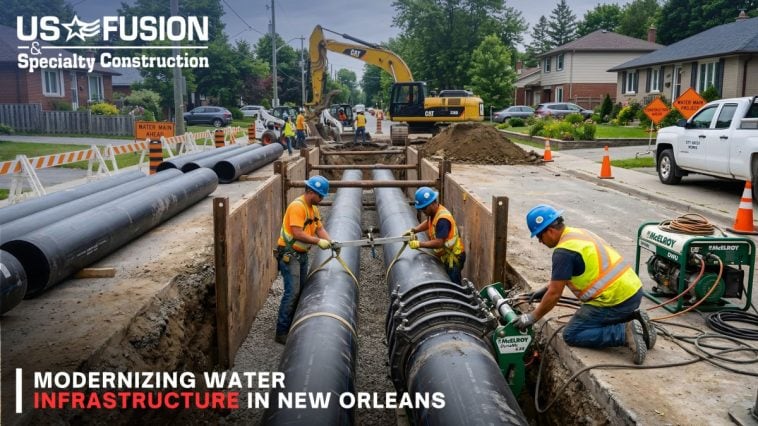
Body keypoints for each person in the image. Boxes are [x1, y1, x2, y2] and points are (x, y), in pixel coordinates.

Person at [513, 204, 657, 365]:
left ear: (550, 231)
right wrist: (544, 290)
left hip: (614, 300)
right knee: (595, 320)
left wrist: (532, 317)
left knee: (572, 333)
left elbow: (554, 294)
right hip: (633, 292)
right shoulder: (579, 234)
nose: (540, 241)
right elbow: (563, 277)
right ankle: (637, 321)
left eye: (540, 236)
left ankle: (624, 333)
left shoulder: (563, 252)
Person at [274, 175, 333, 344]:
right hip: (290, 254)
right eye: (320, 196)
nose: (321, 199)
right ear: (311, 192)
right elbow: (298, 233)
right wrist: (317, 242)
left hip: (301, 254)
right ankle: (281, 332)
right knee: (292, 292)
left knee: (300, 290)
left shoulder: (313, 208)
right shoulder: (297, 207)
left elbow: (319, 229)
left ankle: (295, 323)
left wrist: (331, 242)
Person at [404, 187, 466, 284]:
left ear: (432, 203)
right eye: (421, 209)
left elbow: (439, 243)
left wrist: (419, 244)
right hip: (447, 254)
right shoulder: (434, 213)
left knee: (454, 286)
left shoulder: (442, 220)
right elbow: (428, 222)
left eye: (424, 208)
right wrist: (414, 230)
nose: (423, 211)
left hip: (454, 258)